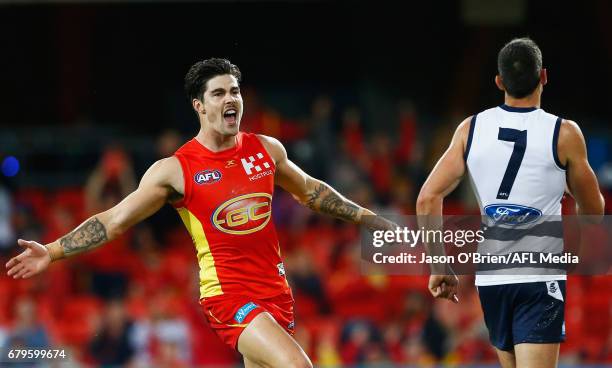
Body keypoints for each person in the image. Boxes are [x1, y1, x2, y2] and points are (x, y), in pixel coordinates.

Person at [5, 58, 395, 368]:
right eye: (219, 93)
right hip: (228, 296)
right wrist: (53, 251)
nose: (231, 100)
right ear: (199, 105)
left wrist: (369, 218)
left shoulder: (266, 149)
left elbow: (312, 192)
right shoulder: (174, 170)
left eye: (235, 91)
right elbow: (115, 219)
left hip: (277, 295)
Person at [416, 38, 605, 368]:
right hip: (538, 274)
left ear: (499, 82)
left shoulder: (470, 129)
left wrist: (438, 265)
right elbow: (592, 214)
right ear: (543, 76)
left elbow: (426, 198)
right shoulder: (564, 133)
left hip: (493, 279)